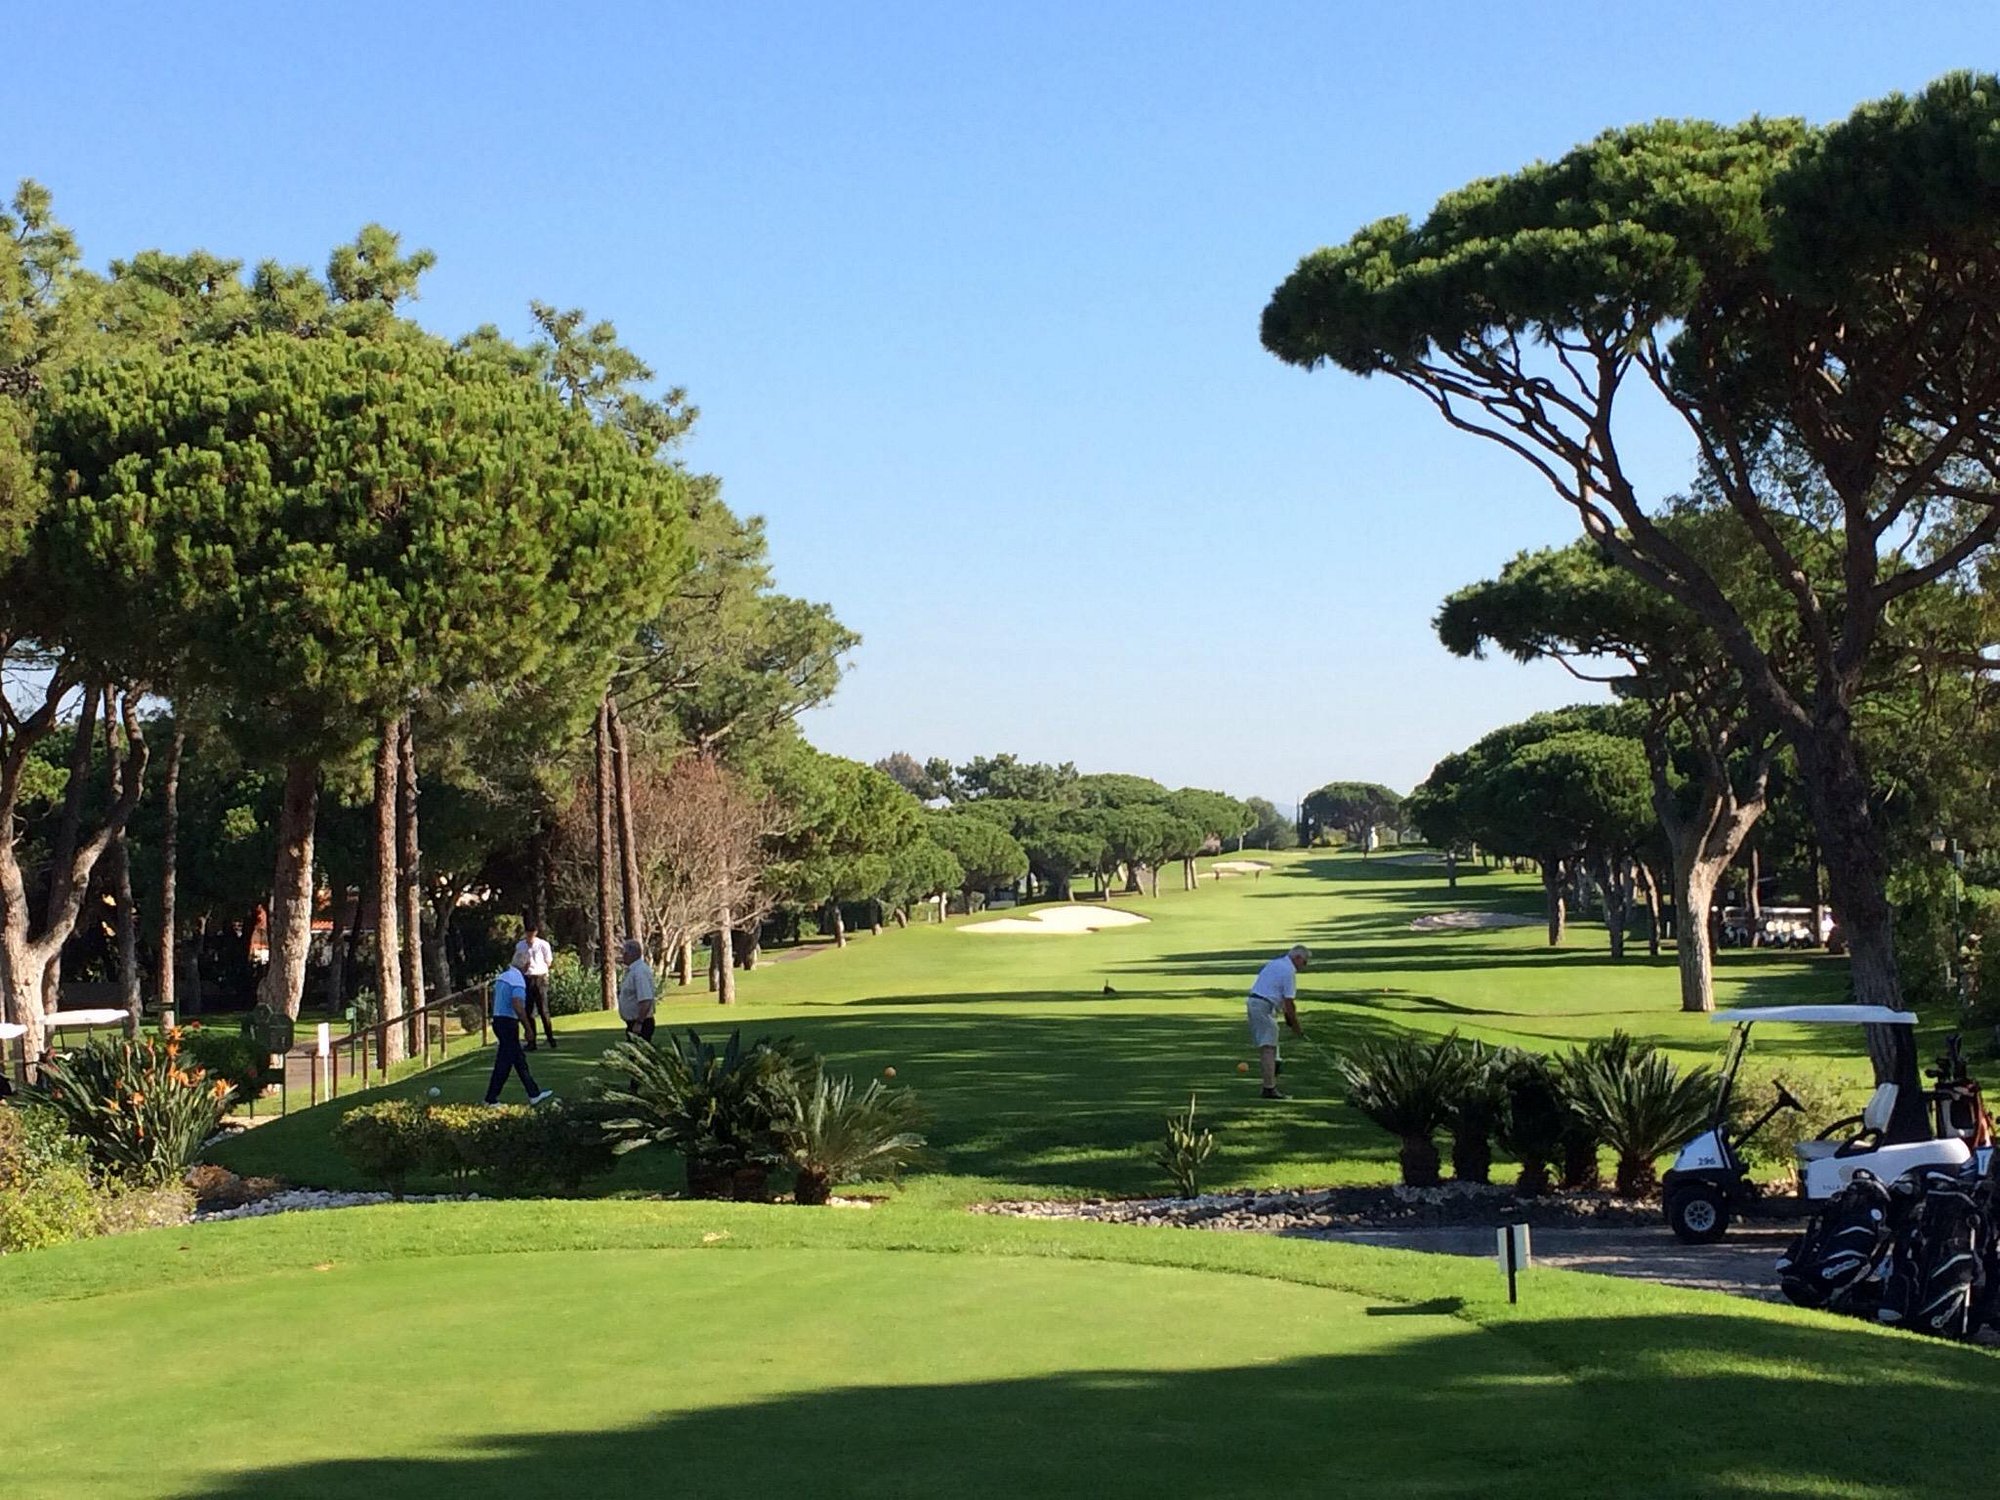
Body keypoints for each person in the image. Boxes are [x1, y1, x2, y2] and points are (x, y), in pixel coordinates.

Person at [485, 960, 554, 1107]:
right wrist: (528, 1028)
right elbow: (517, 1004)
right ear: (526, 966)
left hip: (498, 1020)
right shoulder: (518, 981)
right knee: (504, 1062)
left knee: (519, 1060)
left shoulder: (503, 977)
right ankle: (491, 1098)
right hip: (508, 1023)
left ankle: (533, 1093)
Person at [1246, 945, 1309, 1099]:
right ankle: (1269, 1089)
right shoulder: (1288, 971)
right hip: (1262, 1006)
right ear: (1298, 958)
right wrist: (1296, 1026)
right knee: (1268, 1048)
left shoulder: (1276, 963)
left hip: (1259, 1004)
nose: (1304, 966)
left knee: (1271, 1044)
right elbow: (1289, 1004)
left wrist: (1289, 1020)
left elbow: (1283, 1003)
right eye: (1305, 962)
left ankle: (1276, 1066)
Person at [513, 922, 556, 1051]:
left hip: (540, 978)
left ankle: (550, 1037)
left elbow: (548, 961)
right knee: (528, 1011)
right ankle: (532, 1041)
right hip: (527, 978)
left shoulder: (542, 945)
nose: (529, 936)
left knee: (543, 1009)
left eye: (531, 933)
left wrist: (541, 970)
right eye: (527, 933)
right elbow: (516, 962)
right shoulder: (520, 945)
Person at [617, 938, 658, 1041]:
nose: (623, 956)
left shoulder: (639, 972)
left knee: (637, 1055)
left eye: (624, 953)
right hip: (633, 1023)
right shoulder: (633, 971)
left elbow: (646, 1000)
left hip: (640, 1023)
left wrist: (639, 1023)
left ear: (631, 954)